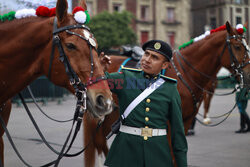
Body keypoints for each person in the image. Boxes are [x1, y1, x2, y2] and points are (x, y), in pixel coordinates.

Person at [100, 40, 188, 167]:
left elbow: (178, 132)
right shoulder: (126, 78)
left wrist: (181, 164)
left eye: (154, 57)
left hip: (158, 155)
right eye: (146, 54)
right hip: (125, 154)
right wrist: (99, 70)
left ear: (164, 65)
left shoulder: (170, 89)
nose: (147, 59)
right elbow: (95, 84)